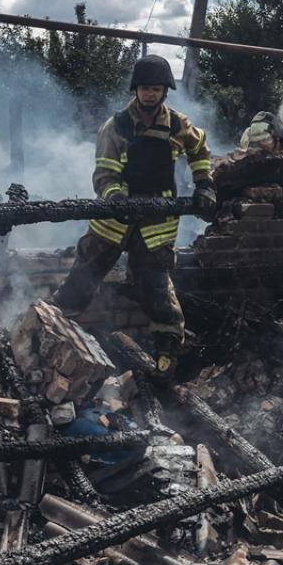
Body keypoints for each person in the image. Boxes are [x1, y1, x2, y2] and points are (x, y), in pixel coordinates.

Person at [52, 54, 215, 377]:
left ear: (164, 91)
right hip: (113, 221)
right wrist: (115, 197)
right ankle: (53, 328)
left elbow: (199, 150)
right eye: (145, 89)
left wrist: (205, 184)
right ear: (136, 90)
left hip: (157, 225)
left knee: (155, 286)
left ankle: (167, 351)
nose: (150, 94)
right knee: (83, 276)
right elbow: (104, 173)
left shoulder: (178, 125)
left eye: (156, 89)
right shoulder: (115, 127)